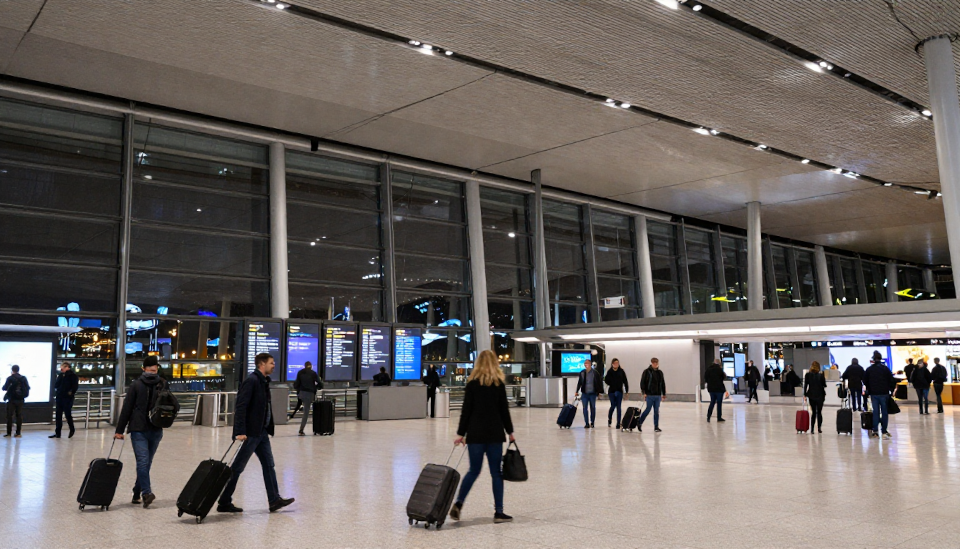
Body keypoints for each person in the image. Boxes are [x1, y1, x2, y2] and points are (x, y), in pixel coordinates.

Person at [218, 353, 294, 514]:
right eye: (271, 363)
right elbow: (241, 406)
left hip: (262, 433)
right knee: (237, 468)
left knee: (269, 465)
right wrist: (240, 431)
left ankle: (274, 500)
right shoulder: (252, 381)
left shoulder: (263, 382)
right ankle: (224, 501)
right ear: (262, 364)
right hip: (251, 433)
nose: (274, 366)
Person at [450, 350, 515, 524]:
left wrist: (461, 433)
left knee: (473, 471)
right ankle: (499, 512)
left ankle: (459, 503)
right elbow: (504, 411)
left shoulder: (471, 384)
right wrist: (510, 432)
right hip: (494, 434)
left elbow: (466, 411)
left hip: (475, 434)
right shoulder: (498, 384)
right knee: (496, 473)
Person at [114, 355, 167, 507]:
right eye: (150, 370)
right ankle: (146, 493)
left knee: (147, 463)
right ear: (143, 369)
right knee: (143, 462)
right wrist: (120, 430)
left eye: (155, 371)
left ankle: (137, 492)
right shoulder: (136, 385)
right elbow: (127, 408)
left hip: (156, 429)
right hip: (138, 429)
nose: (152, 373)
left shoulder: (163, 384)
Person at [864, 350, 896, 439]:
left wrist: (869, 389)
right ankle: (884, 430)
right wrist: (890, 390)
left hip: (874, 393)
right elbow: (891, 380)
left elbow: (865, 381)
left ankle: (875, 431)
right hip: (884, 393)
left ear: (873, 359)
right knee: (884, 412)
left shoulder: (869, 369)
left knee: (876, 412)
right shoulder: (885, 369)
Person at [290, 361, 322, 436]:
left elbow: (296, 384)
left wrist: (299, 390)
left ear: (304, 366)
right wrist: (315, 388)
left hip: (301, 393)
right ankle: (301, 430)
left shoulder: (300, 372)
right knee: (306, 412)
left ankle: (293, 414)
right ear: (311, 366)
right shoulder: (313, 373)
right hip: (310, 394)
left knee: (300, 404)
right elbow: (320, 384)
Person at [50, 362, 79, 438]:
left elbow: (75, 386)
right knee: (58, 415)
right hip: (60, 397)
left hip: (67, 398)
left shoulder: (73, 376)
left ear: (67, 367)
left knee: (67, 414)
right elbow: (56, 384)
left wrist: (70, 393)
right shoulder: (60, 375)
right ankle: (58, 432)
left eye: (62, 367)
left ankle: (72, 429)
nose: (61, 369)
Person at [637, 358, 666, 433]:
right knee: (648, 409)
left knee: (656, 411)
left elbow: (662, 383)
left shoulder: (660, 373)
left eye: (656, 363)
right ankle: (639, 422)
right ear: (651, 363)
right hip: (649, 395)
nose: (655, 364)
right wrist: (644, 392)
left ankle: (656, 426)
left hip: (657, 395)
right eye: (654, 363)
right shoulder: (646, 372)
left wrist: (664, 393)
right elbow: (642, 382)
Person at [574, 359, 603, 428]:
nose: (586, 365)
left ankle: (592, 422)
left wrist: (599, 392)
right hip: (585, 393)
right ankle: (586, 423)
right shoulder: (582, 373)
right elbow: (580, 382)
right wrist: (577, 391)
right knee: (585, 408)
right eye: (585, 364)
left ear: (590, 364)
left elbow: (598, 382)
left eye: (587, 363)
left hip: (592, 393)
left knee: (592, 407)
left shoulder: (595, 373)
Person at [2, 365, 29, 438]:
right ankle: (18, 433)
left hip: (12, 400)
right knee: (19, 415)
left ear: (12, 370)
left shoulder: (10, 378)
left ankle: (8, 433)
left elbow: (4, 388)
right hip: (20, 400)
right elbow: (28, 387)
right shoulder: (23, 378)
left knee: (9, 416)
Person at [603, 358, 628, 428]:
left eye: (617, 363)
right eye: (615, 363)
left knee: (619, 407)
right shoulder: (610, 372)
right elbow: (606, 380)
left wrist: (627, 390)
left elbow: (625, 381)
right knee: (613, 405)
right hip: (612, 391)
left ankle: (618, 423)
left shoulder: (621, 371)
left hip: (619, 391)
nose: (616, 364)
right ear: (612, 364)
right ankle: (609, 418)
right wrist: (611, 383)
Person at [803, 361, 827, 434]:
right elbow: (824, 385)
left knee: (813, 412)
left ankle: (812, 429)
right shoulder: (821, 375)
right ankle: (819, 428)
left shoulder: (807, 375)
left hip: (811, 395)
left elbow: (805, 385)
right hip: (820, 395)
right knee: (819, 412)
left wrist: (804, 394)